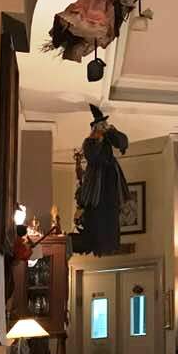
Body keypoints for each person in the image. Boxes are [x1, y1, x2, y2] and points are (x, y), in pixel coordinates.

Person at [71, 104, 129, 255]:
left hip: (110, 179)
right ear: (95, 128)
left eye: (104, 124)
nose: (103, 127)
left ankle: (110, 241)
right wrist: (98, 139)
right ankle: (96, 240)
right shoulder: (89, 142)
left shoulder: (109, 138)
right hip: (96, 180)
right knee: (97, 211)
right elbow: (92, 156)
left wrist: (112, 132)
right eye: (101, 125)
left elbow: (123, 143)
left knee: (111, 211)